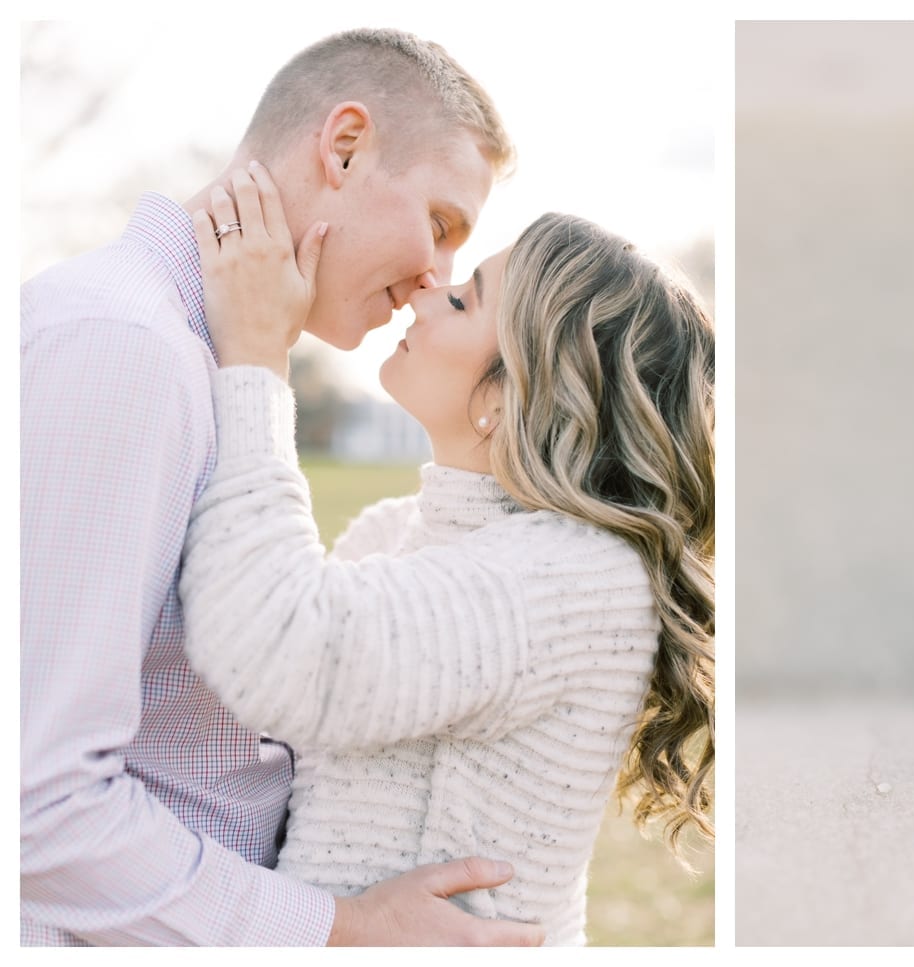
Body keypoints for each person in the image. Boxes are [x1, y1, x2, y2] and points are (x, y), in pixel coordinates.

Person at [20, 28, 542, 945]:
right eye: (441, 224)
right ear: (343, 147)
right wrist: (338, 928)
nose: (436, 277)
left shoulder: (206, 356)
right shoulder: (126, 350)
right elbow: (37, 801)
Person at [174, 165, 715, 945]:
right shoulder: (393, 534)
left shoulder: (580, 582)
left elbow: (275, 646)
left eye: (464, 300)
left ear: (512, 393)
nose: (429, 285)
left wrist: (256, 355)